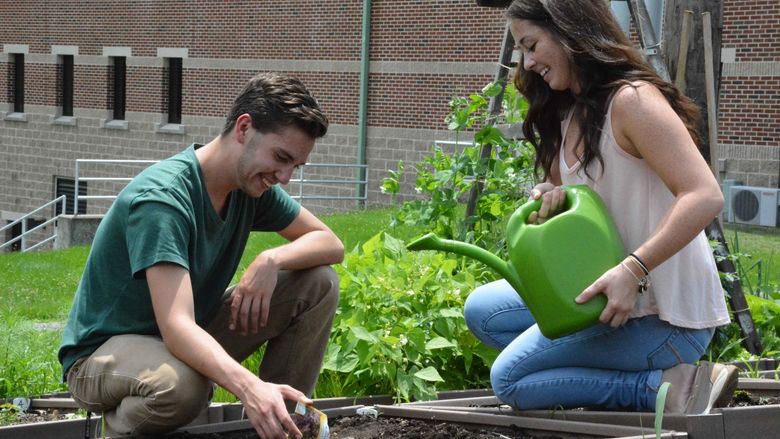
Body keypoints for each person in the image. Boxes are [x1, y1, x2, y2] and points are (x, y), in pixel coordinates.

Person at [463, 0, 738, 414]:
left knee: (511, 379)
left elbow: (704, 194)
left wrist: (634, 268)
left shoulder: (633, 101)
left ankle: (669, 386)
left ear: (568, 30)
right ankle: (589, 368)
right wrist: (552, 199)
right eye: (523, 51)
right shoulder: (568, 112)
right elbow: (593, 207)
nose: (529, 62)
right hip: (608, 304)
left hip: (664, 318)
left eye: (533, 45)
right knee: (484, 311)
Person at [58, 72, 344, 438]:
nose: (286, 176)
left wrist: (271, 259)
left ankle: (278, 425)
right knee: (182, 387)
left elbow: (329, 243)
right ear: (244, 128)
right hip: (102, 357)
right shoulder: (163, 200)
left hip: (180, 335)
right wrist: (248, 386)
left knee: (317, 283)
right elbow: (177, 328)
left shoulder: (250, 186)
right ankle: (115, 432)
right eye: (281, 157)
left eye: (295, 166)